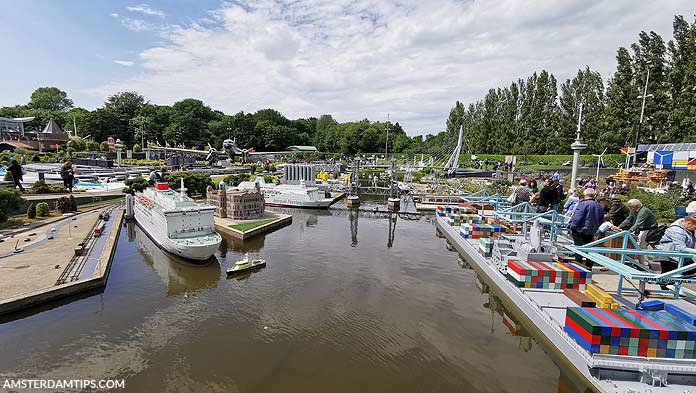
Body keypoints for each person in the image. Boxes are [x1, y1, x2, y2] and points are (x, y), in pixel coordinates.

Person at [654, 214, 696, 290]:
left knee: (690, 270)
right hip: (668, 254)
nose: (695, 229)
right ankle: (666, 291)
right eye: (695, 227)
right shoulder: (677, 230)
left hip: (679, 255)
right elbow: (681, 248)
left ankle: (674, 287)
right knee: (667, 275)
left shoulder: (687, 228)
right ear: (689, 223)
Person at [613, 199, 658, 266]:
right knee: (639, 245)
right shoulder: (633, 211)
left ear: (637, 206)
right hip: (642, 229)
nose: (629, 208)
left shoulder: (644, 211)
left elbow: (638, 223)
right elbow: (629, 219)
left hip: (649, 229)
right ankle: (642, 262)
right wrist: (619, 227)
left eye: (631, 207)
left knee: (641, 246)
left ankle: (644, 264)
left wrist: (629, 231)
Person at [568, 188, 604, 268]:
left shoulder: (583, 204)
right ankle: (588, 268)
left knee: (578, 251)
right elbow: (601, 220)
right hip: (592, 231)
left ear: (585, 195)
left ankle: (578, 269)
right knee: (589, 251)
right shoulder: (600, 206)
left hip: (580, 230)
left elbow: (577, 217)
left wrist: (571, 227)